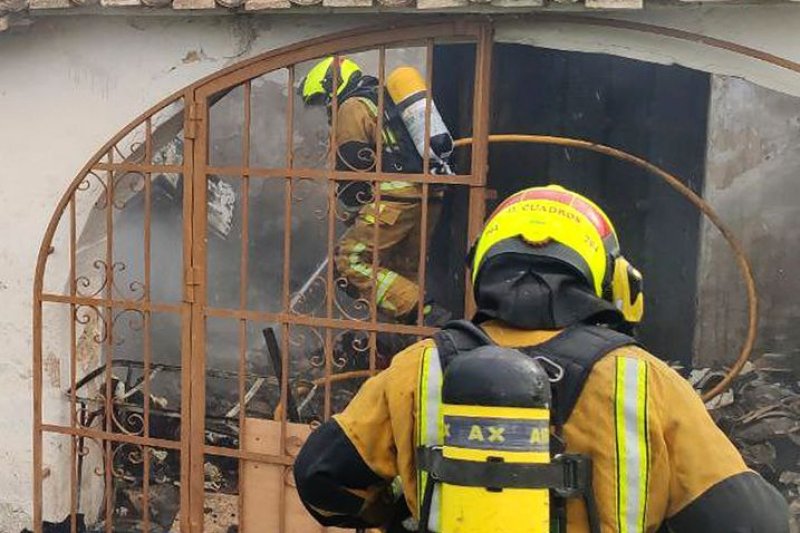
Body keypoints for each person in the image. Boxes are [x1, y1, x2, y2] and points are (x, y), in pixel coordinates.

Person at [293, 185, 789, 532]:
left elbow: (321, 479)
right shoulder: (643, 381)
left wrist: (399, 511)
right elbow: (750, 522)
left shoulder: (419, 368)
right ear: (604, 276)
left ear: (483, 269)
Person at [299, 56, 450, 327]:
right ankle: (404, 344)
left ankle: (429, 315)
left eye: (324, 98)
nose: (326, 107)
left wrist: (353, 208)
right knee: (400, 270)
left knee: (349, 260)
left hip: (395, 198)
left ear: (333, 85)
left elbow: (353, 165)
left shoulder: (352, 105)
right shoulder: (382, 99)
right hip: (428, 194)